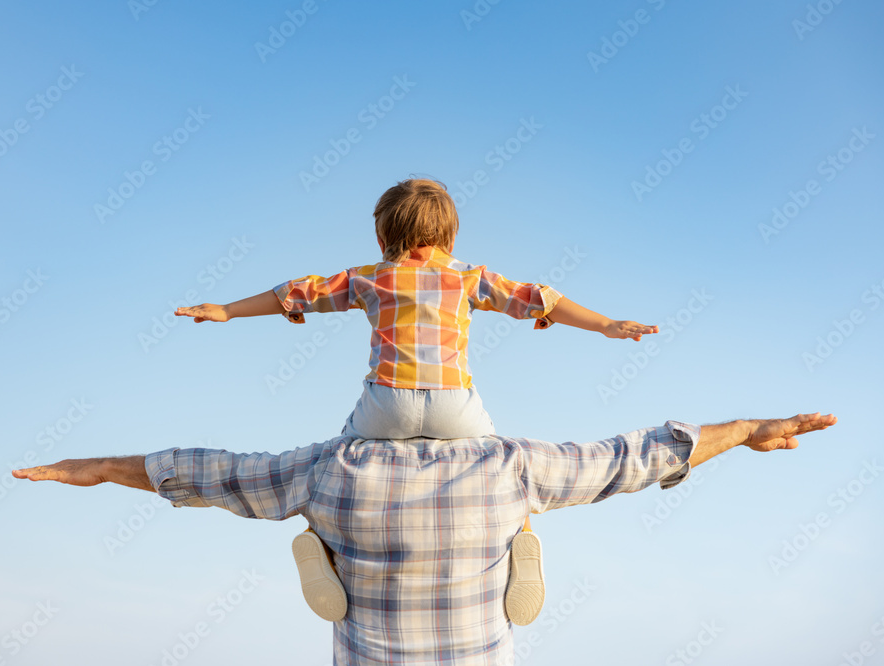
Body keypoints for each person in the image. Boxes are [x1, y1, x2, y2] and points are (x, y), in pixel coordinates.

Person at [170, 178, 659, 624]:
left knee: (335, 461)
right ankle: (522, 538)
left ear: (383, 239)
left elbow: (294, 294)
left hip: (386, 406)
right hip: (454, 407)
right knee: (500, 458)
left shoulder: (369, 277)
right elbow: (541, 297)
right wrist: (607, 324)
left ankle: (321, 543)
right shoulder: (470, 278)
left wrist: (226, 311)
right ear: (451, 238)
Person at [13, 412, 837, 666]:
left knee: (275, 498)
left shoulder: (329, 467)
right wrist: (750, 429)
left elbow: (206, 470)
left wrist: (86, 465)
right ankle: (515, 551)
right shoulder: (509, 464)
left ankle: (328, 560)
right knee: (551, 500)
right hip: (478, 604)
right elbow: (634, 458)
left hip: (369, 611)